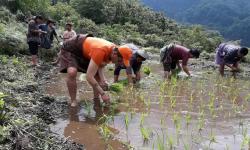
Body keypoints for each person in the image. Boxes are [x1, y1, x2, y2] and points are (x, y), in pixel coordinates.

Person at [59, 34, 132, 107]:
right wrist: (103, 93)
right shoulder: (101, 50)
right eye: (119, 61)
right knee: (72, 72)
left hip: (87, 52)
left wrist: (103, 80)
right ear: (115, 54)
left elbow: (100, 65)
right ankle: (73, 101)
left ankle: (96, 98)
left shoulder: (114, 50)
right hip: (72, 48)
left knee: (97, 76)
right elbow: (89, 77)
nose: (118, 63)